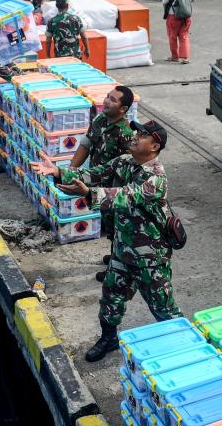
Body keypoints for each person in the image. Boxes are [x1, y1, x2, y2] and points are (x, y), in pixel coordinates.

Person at [32, 120, 183, 362]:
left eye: (143, 134)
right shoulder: (124, 161)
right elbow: (94, 173)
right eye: (137, 131)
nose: (135, 135)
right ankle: (109, 338)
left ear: (155, 146)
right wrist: (59, 171)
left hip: (149, 258)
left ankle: (185, 347)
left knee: (164, 309)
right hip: (123, 252)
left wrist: (88, 193)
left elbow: (124, 197)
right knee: (110, 299)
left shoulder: (155, 178)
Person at [69, 85, 137, 281]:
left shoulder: (125, 134)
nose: (107, 101)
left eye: (113, 100)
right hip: (98, 184)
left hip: (115, 190)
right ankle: (116, 257)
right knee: (109, 224)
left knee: (118, 228)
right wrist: (73, 172)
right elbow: (86, 144)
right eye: (108, 97)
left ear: (123, 109)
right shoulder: (100, 120)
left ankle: (118, 270)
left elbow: (132, 165)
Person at [161, 0, 197, 64]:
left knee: (172, 36)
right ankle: (185, 58)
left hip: (173, 16)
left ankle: (175, 57)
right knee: (184, 36)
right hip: (186, 16)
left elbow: (164, 1)